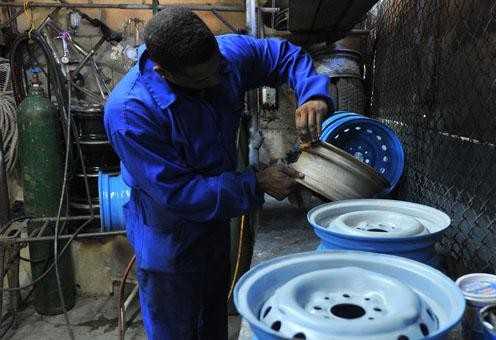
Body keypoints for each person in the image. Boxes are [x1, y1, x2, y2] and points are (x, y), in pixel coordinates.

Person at [103, 8, 332, 339]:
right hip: (169, 241)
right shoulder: (130, 113)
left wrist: (314, 94)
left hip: (214, 230)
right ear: (162, 71)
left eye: (219, 72)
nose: (215, 82)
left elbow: (285, 55)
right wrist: (255, 181)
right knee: (176, 331)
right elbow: (181, 193)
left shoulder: (224, 58)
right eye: (201, 81)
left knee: (212, 323)